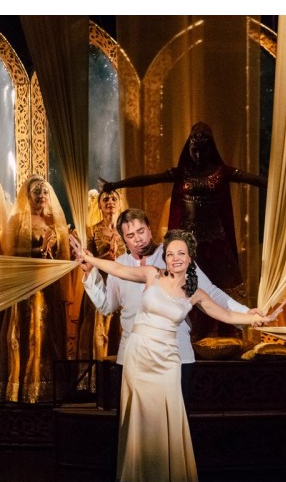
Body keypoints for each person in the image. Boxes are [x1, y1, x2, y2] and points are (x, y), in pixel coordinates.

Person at [70, 228, 283, 482]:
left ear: (190, 257)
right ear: (165, 259)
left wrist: (255, 317)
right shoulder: (152, 275)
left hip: (169, 360)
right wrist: (90, 259)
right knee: (135, 424)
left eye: (181, 253)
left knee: (169, 424)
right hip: (139, 355)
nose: (175, 258)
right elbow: (118, 269)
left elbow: (225, 314)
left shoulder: (195, 293)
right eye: (170, 254)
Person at [101, 121, 266, 336]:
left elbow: (251, 179)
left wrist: (280, 184)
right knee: (185, 286)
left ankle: (228, 333)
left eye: (202, 150)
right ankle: (192, 335)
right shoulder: (182, 172)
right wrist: (116, 185)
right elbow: (150, 179)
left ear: (210, 149)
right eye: (194, 150)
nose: (198, 155)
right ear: (188, 148)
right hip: (188, 245)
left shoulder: (221, 171)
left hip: (215, 242)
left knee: (218, 288)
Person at [0, 174, 71, 404]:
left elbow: (62, 254)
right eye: (37, 192)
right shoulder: (17, 220)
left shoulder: (54, 222)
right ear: (28, 196)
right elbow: (9, 253)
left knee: (47, 334)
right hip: (27, 287)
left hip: (49, 287)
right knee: (27, 332)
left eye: (45, 191)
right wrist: (39, 251)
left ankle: (48, 388)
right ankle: (22, 388)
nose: (42, 196)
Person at [76, 189, 125, 374]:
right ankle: (98, 378)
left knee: (121, 329)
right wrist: (103, 258)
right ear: (99, 205)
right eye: (105, 199)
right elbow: (85, 260)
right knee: (98, 331)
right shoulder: (92, 230)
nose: (110, 202)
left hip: (122, 285)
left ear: (120, 203)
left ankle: (120, 375)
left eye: (114, 198)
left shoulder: (127, 231)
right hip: (100, 284)